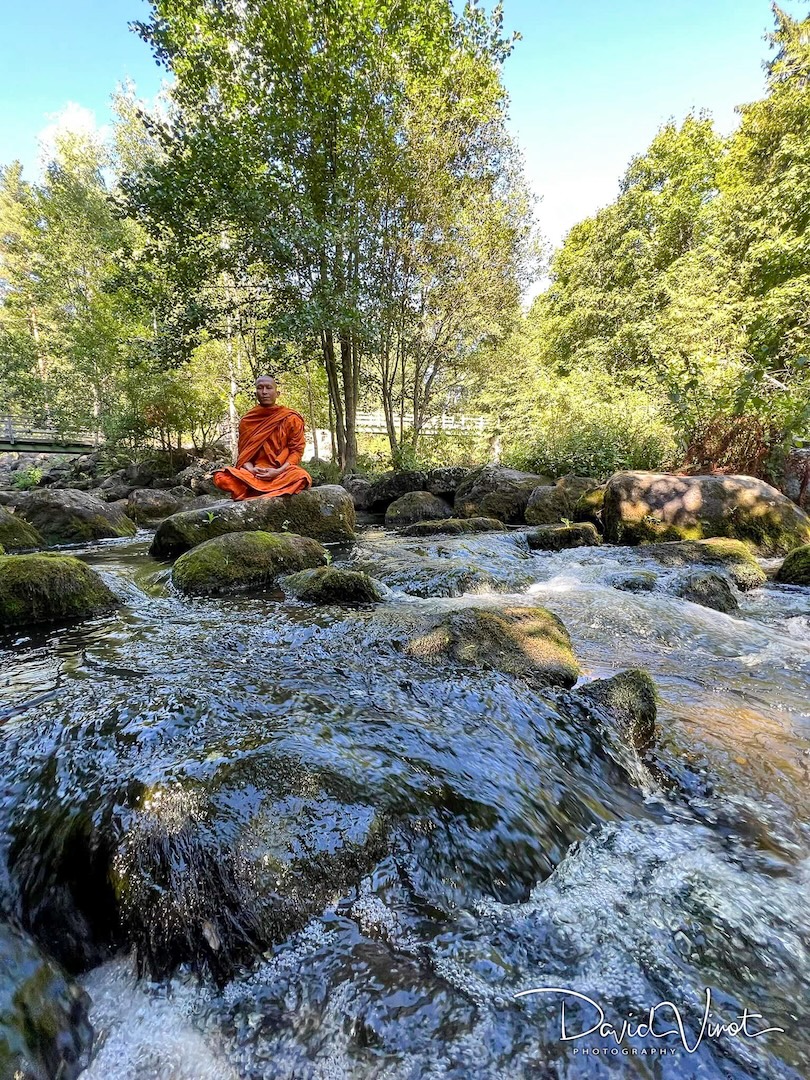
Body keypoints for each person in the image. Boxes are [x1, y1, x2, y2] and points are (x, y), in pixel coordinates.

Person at [212, 375, 313, 501]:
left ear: (277, 393)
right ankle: (268, 490)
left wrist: (277, 471)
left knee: (301, 476)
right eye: (260, 388)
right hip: (254, 473)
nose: (264, 392)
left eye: (269, 388)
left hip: (280, 472)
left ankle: (253, 492)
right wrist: (252, 470)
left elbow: (296, 451)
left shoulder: (291, 418)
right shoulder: (247, 421)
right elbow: (245, 455)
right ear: (256, 393)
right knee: (220, 476)